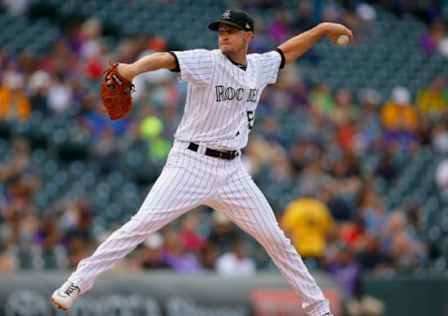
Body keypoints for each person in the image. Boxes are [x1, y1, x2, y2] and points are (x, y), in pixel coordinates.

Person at [51, 9, 352, 316]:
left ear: (248, 36)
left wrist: (321, 29)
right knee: (139, 226)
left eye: (231, 30)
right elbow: (167, 58)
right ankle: (76, 282)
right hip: (190, 163)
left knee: (277, 239)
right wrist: (132, 69)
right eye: (221, 29)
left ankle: (319, 309)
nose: (223, 34)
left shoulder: (259, 67)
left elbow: (286, 51)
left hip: (232, 171)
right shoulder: (208, 62)